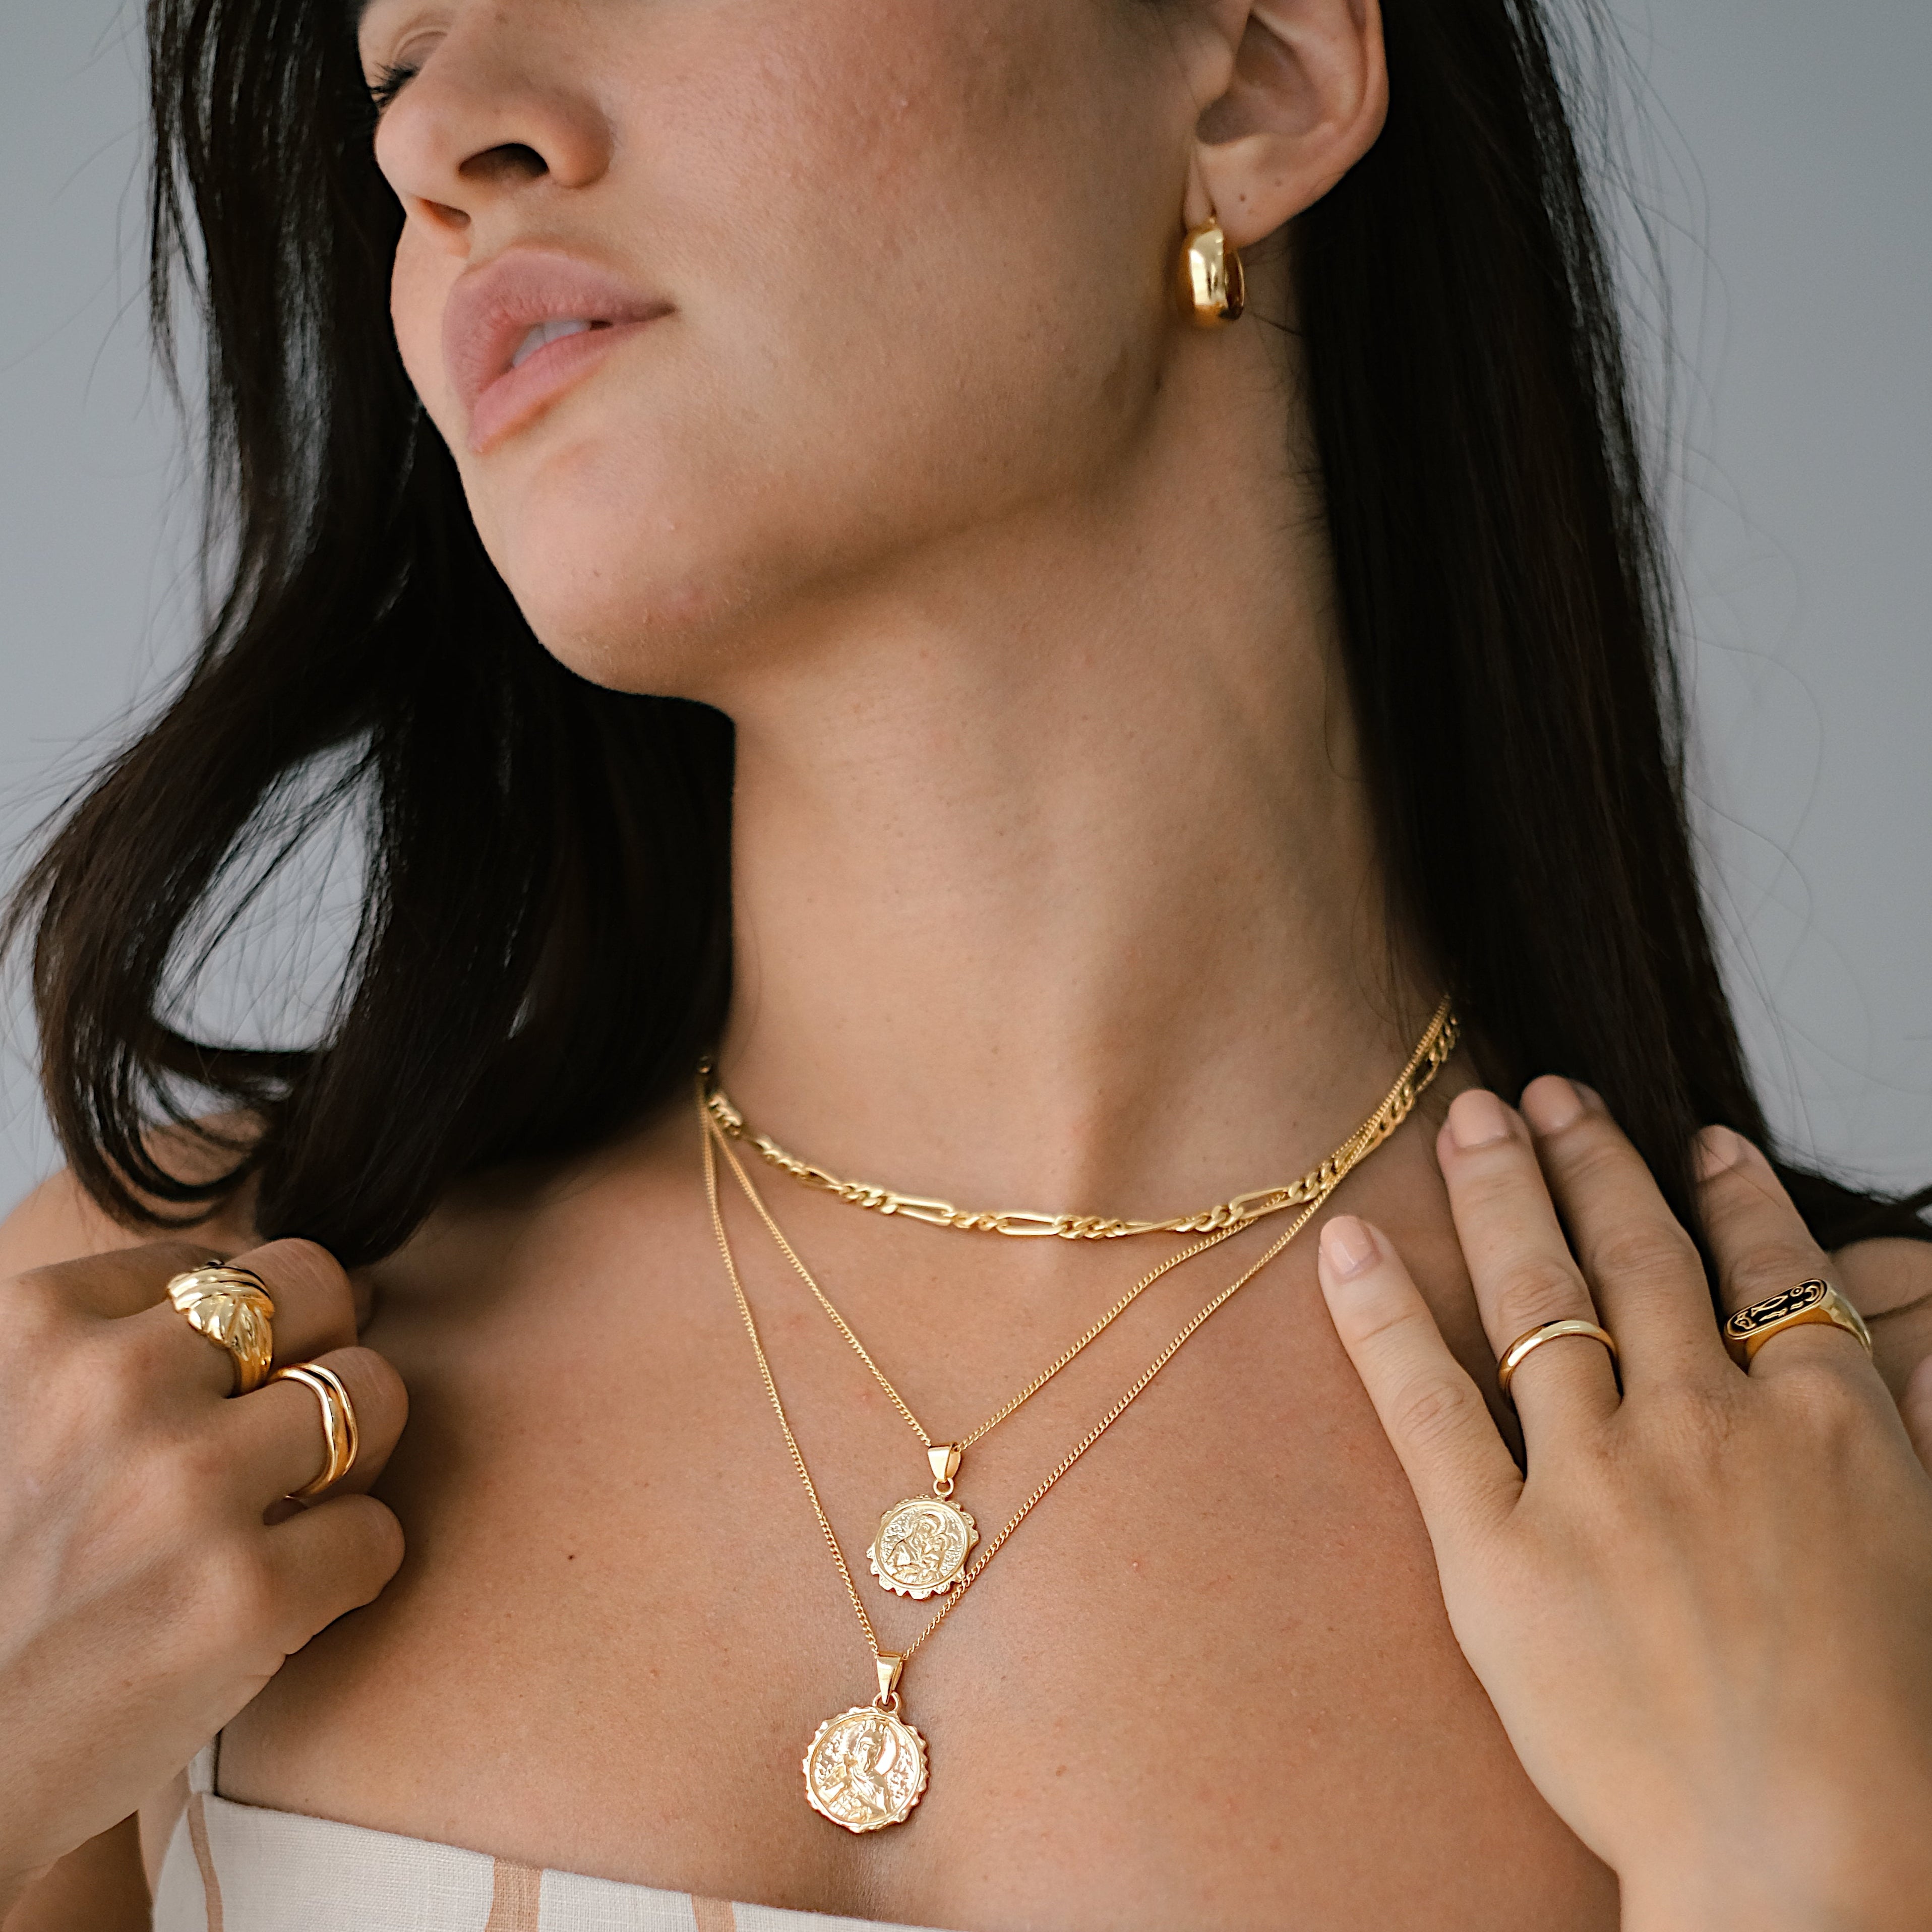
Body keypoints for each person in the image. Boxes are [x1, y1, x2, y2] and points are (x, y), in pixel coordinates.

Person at [3, 0, 1929, 1926]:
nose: (445, 146)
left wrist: (1814, 1852)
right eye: (395, 70)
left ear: (1254, 73)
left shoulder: (1874, 1501)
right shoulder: (134, 1400)